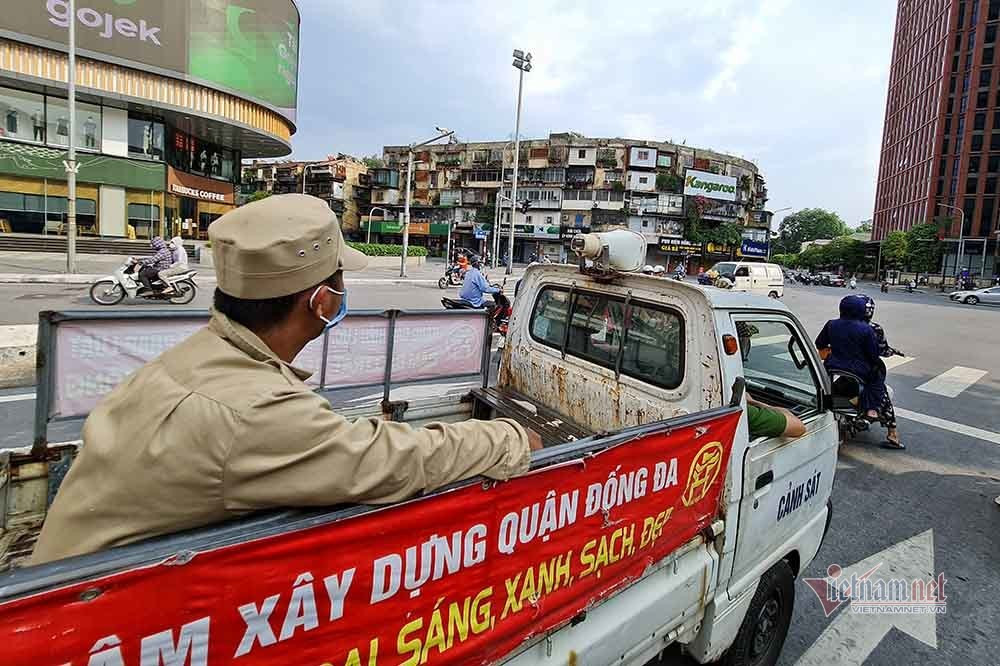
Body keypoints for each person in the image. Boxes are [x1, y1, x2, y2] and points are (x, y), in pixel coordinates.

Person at [32, 194, 541, 564]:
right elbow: (392, 460)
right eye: (340, 282)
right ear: (320, 302)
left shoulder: (189, 359)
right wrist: (509, 438)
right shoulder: (252, 411)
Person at [815, 294, 885, 422]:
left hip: (832, 366)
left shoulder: (831, 324)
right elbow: (873, 355)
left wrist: (832, 350)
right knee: (877, 379)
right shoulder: (866, 329)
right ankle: (871, 409)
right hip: (858, 369)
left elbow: (819, 343)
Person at [859, 295, 904, 449]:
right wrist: (893, 351)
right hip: (867, 370)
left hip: (839, 367)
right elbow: (883, 350)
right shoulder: (874, 328)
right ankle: (893, 433)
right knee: (881, 392)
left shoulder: (836, 324)